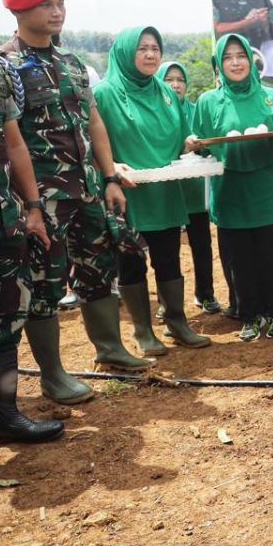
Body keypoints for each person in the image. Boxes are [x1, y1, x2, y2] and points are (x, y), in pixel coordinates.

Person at [0, 0, 152, 406]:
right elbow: (10, 140)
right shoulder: (5, 66)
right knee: (46, 281)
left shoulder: (70, 63)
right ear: (19, 10)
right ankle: (53, 375)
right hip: (43, 195)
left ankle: (110, 349)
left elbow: (94, 122)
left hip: (86, 190)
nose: (57, 11)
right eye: (47, 4)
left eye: (60, 2)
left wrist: (108, 178)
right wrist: (28, 204)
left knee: (100, 266)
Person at [94, 27, 212, 356]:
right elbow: (92, 141)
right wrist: (112, 169)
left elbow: (177, 138)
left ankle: (177, 323)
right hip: (126, 193)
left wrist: (188, 142)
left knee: (168, 258)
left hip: (163, 191)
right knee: (131, 263)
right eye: (142, 48)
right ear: (125, 53)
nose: (150, 55)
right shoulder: (104, 93)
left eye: (155, 48)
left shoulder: (165, 93)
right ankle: (143, 331)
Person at [187, 34, 273, 340]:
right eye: (227, 57)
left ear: (251, 59)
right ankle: (249, 315)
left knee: (272, 257)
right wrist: (195, 144)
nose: (235, 62)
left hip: (267, 189)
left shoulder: (272, 97)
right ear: (219, 65)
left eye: (241, 56)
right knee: (240, 260)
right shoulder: (209, 102)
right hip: (230, 190)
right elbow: (202, 145)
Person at [0, 0, 61, 441]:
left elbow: (15, 143)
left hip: (2, 218)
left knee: (4, 316)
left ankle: (3, 416)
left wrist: (33, 207)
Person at [158, 61, 221, 313]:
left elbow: (208, 142)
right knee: (167, 250)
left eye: (180, 79)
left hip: (195, 191)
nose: (175, 84)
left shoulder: (197, 110)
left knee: (201, 245)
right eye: (169, 79)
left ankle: (205, 293)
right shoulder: (155, 113)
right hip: (168, 193)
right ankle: (168, 303)